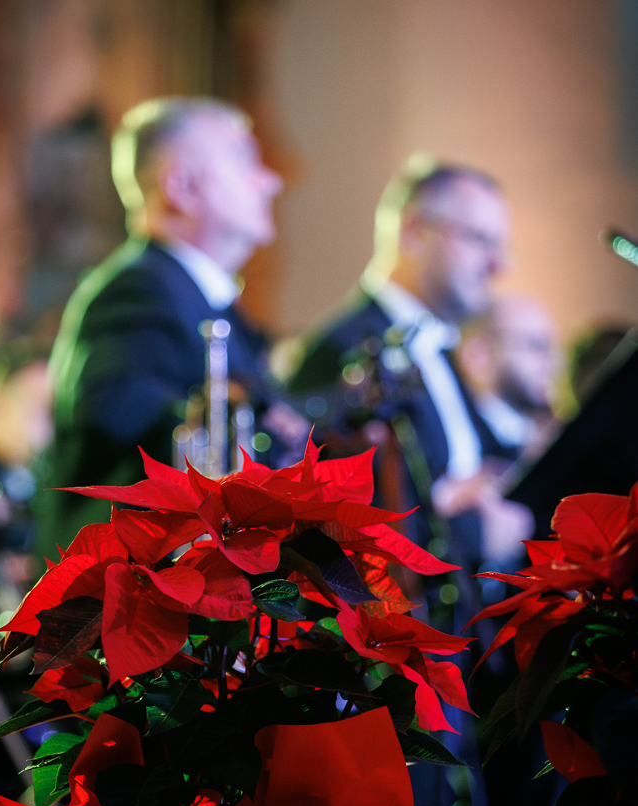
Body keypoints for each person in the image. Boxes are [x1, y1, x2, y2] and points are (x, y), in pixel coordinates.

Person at [36, 96, 283, 555]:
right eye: (244, 159)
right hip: (134, 589)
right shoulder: (136, 290)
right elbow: (117, 410)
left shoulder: (196, 296)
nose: (271, 181)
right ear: (182, 187)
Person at [284, 160, 532, 573]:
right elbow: (349, 525)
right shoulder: (341, 351)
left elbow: (473, 463)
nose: (498, 266)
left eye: (500, 247)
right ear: (415, 232)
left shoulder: (440, 346)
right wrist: (474, 534)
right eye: (480, 240)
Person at [458, 293, 560, 461]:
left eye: (553, 348)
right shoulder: (464, 443)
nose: (553, 361)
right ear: (480, 354)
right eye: (535, 345)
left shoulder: (543, 438)